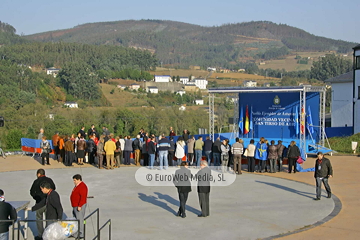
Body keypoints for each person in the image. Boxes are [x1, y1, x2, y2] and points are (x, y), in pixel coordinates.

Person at [30, 169, 56, 240]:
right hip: (49, 203)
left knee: (39, 219)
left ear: (38, 174)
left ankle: (40, 235)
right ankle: (49, 234)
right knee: (49, 219)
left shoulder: (36, 181)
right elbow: (54, 188)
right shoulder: (49, 180)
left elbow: (32, 192)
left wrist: (37, 198)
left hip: (39, 203)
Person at [70, 174, 88, 239]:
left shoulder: (82, 187)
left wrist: (80, 206)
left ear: (78, 180)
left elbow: (83, 197)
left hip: (79, 206)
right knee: (76, 220)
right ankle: (75, 233)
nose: (74, 182)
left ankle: (81, 234)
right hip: (75, 205)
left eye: (75, 180)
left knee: (80, 220)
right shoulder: (77, 186)